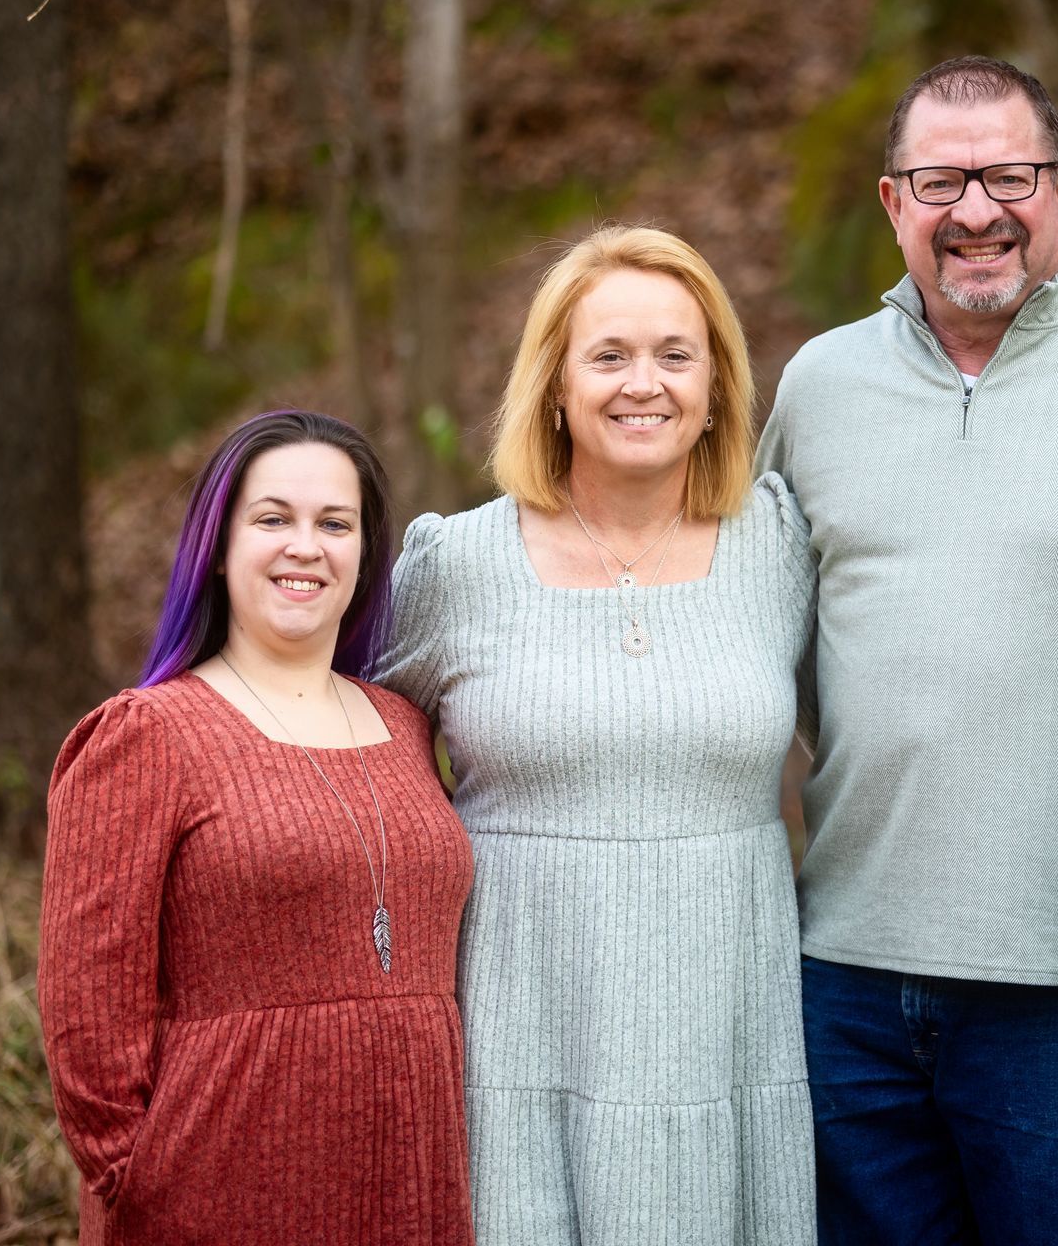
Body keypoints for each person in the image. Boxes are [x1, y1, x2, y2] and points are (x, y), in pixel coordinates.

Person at [756, 55, 1058, 1243]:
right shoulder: (820, 386)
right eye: (940, 181)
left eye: (1008, 176)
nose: (976, 210)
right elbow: (759, 626)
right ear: (891, 204)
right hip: (847, 976)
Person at [376, 225, 816, 1245]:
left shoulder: (780, 544)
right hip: (518, 1043)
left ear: (716, 388)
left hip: (728, 1032)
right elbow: (356, 757)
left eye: (676, 353)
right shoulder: (458, 566)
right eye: (608, 354)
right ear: (556, 385)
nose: (643, 383)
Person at [40, 410, 475, 1246]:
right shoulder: (145, 735)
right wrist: (139, 1178)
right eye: (273, 518)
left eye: (334, 523)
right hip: (218, 1190)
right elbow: (87, 1019)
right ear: (219, 542)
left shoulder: (408, 724)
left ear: (364, 551)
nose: (304, 546)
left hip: (408, 1183)